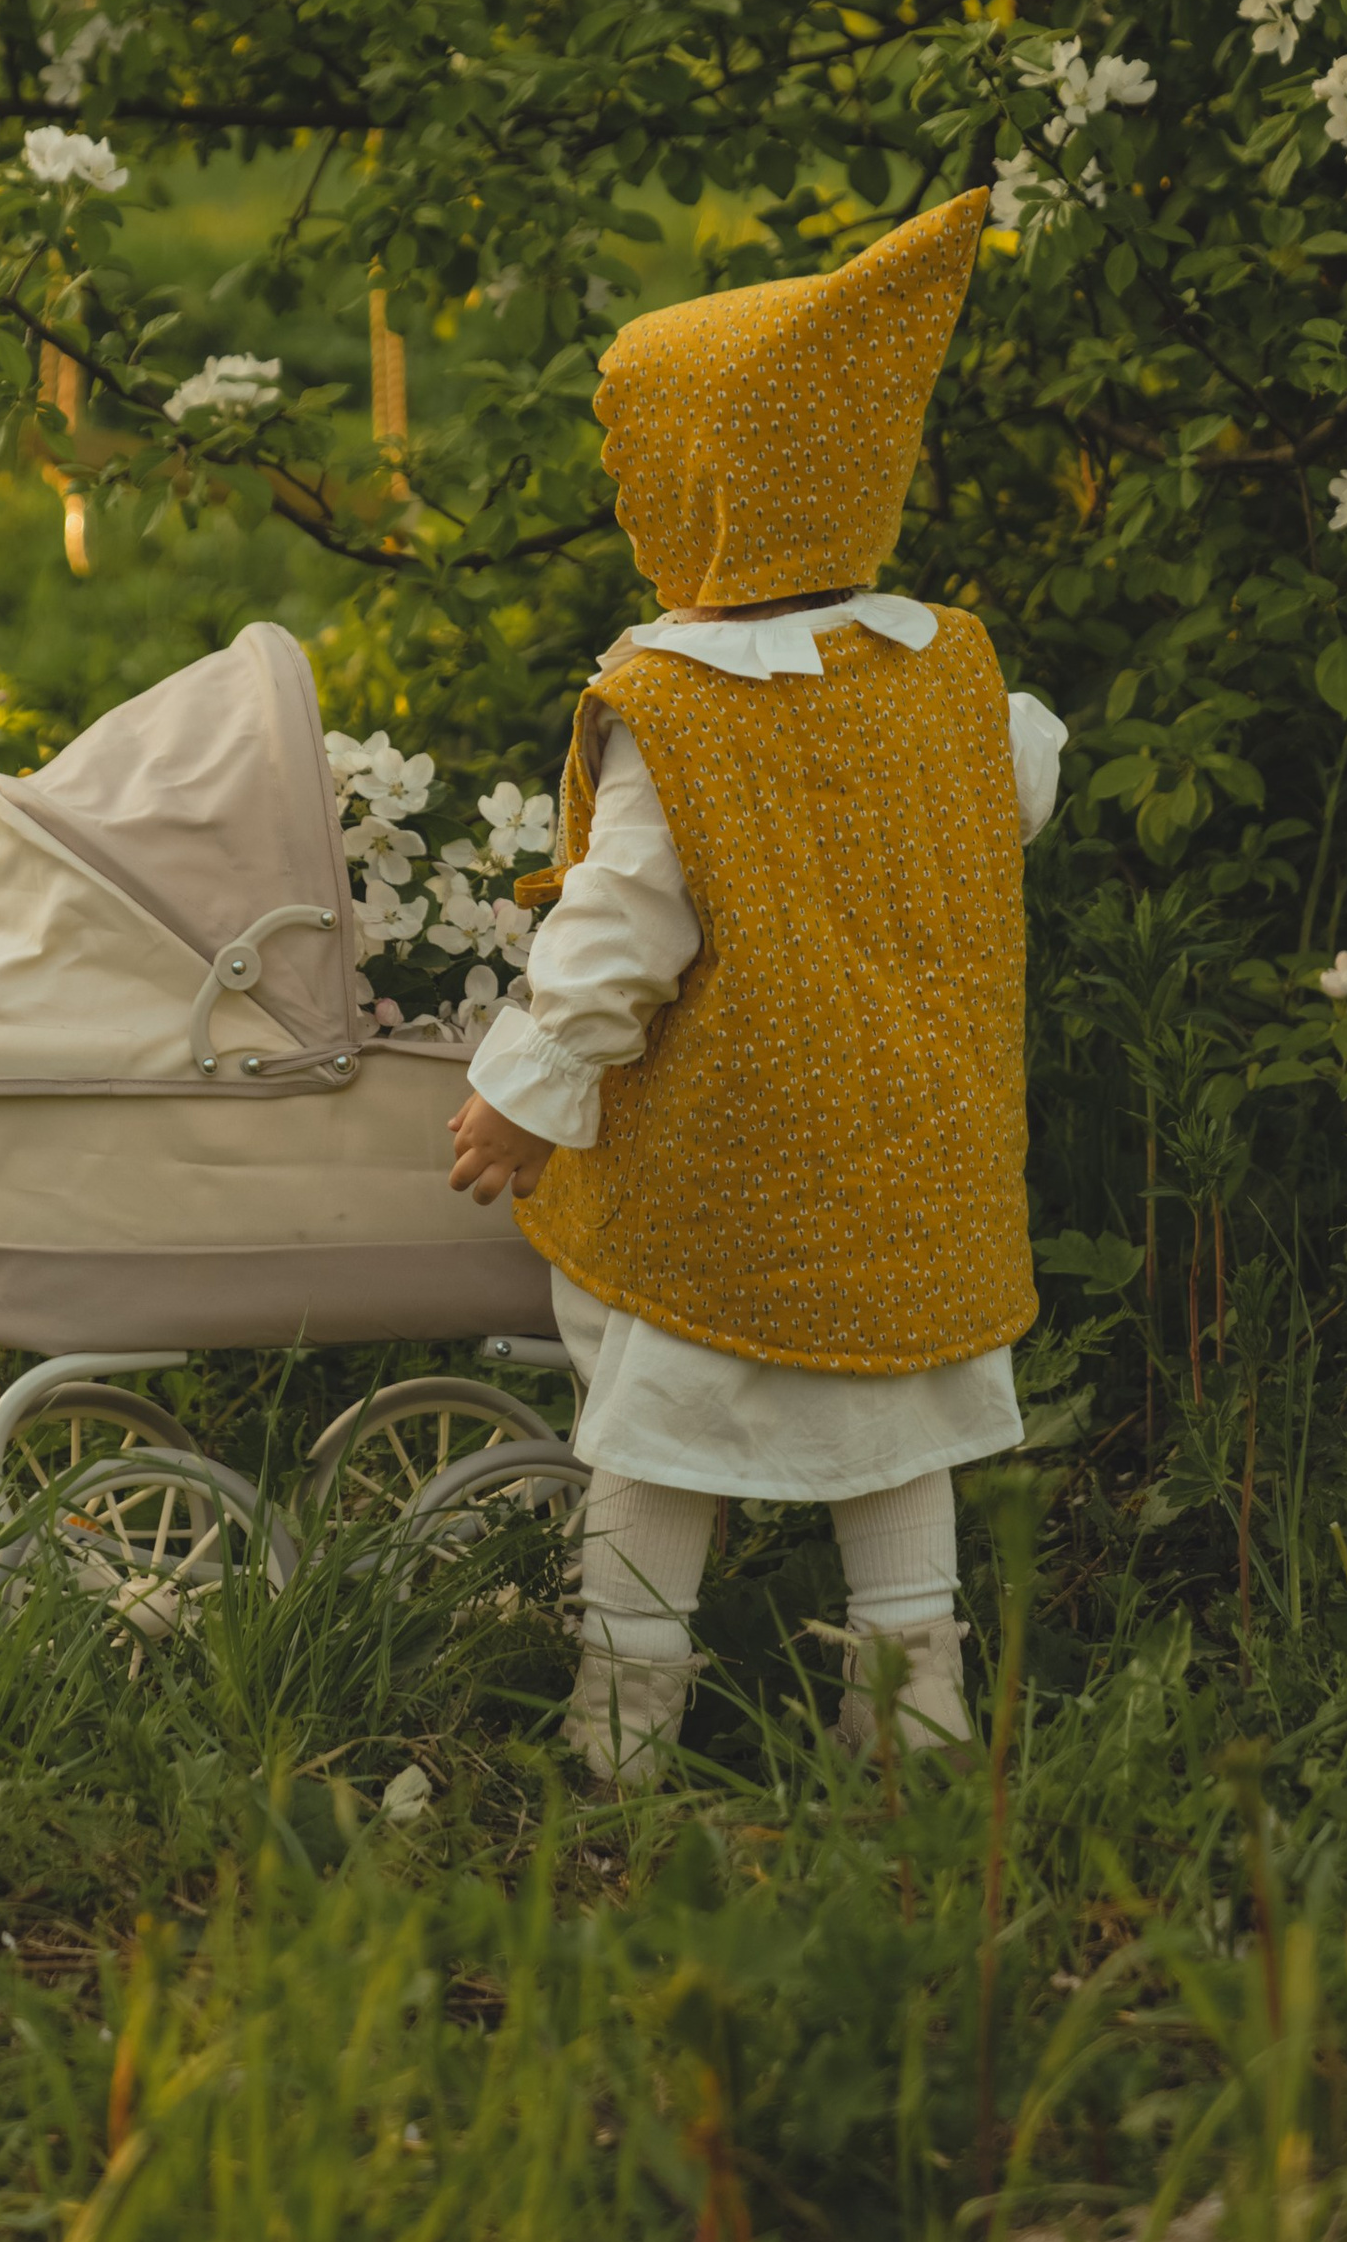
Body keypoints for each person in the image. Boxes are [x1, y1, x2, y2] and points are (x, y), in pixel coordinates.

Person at [445, 188, 1064, 1783]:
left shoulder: (673, 710)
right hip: (913, 1161)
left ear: (692, 489)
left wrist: (524, 1098)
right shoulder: (952, 671)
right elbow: (1023, 791)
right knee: (899, 1443)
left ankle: (622, 1740)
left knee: (657, 1441)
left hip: (737, 1177)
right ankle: (918, 1733)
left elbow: (615, 933)